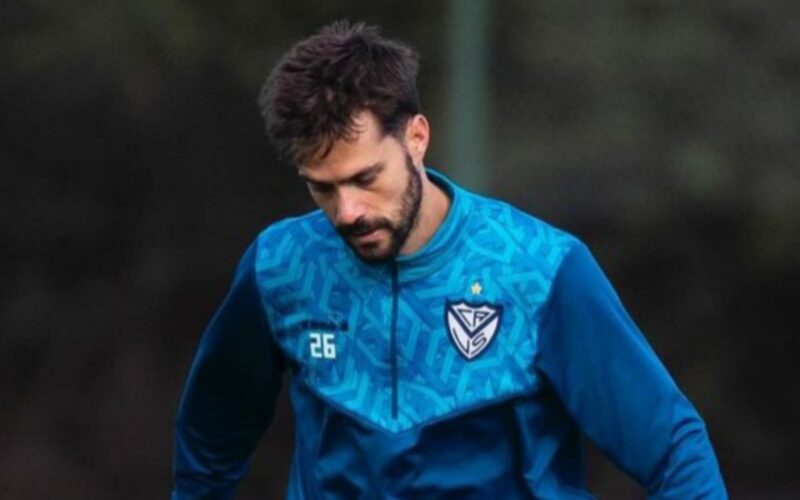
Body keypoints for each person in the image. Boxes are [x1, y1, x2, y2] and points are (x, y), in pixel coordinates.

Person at [171, 21, 727, 499]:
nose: (347, 211)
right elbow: (211, 434)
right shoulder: (281, 266)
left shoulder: (538, 269)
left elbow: (672, 448)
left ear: (416, 137)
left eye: (366, 178)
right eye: (323, 188)